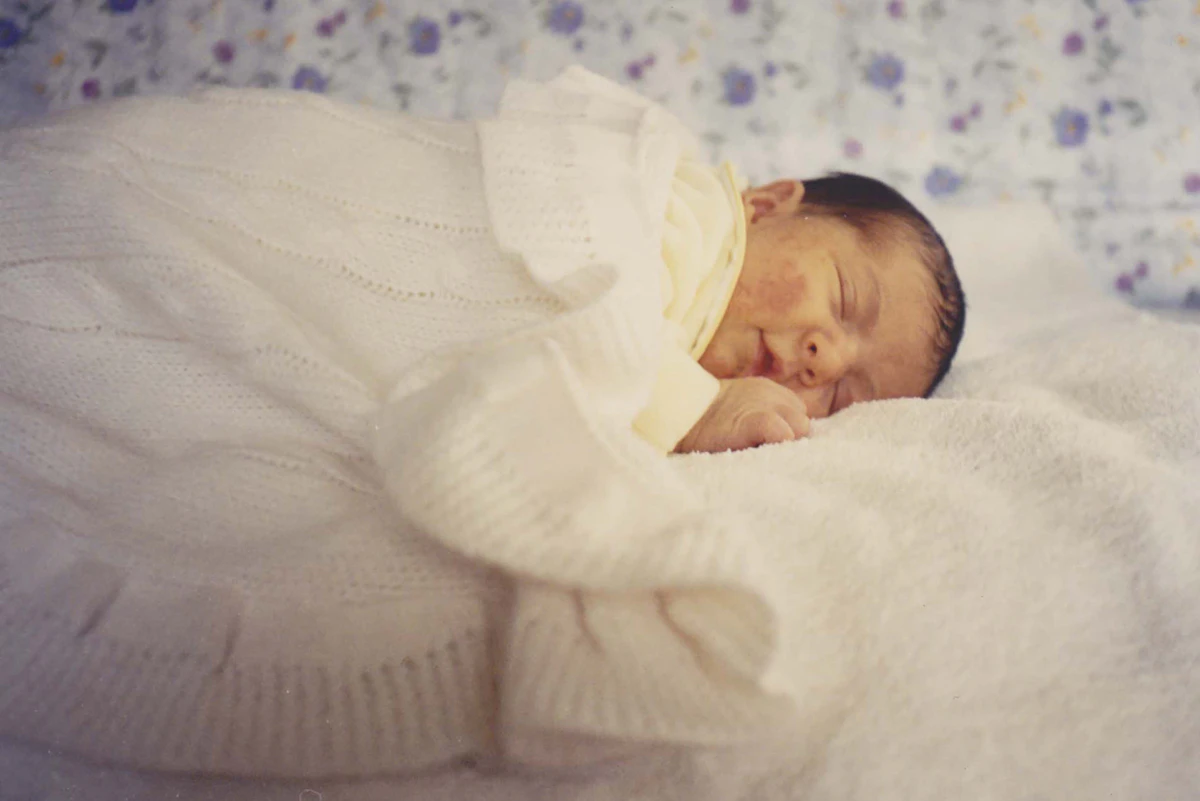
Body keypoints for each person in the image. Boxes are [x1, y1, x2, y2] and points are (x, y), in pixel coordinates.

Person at [0, 66, 965, 777]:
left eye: (844, 394)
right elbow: (584, 297)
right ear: (769, 201)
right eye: (843, 299)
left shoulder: (674, 354)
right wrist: (700, 407)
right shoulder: (666, 205)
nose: (822, 360)